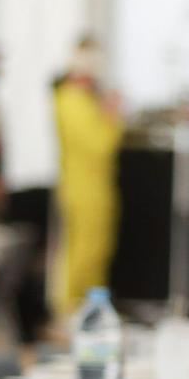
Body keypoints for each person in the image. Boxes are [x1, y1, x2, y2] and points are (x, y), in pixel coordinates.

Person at [51, 37, 124, 316]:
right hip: (84, 189)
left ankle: (91, 309)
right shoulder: (72, 100)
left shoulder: (83, 100)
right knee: (84, 253)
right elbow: (101, 146)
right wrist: (112, 116)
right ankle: (70, 310)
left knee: (96, 252)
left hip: (96, 187)